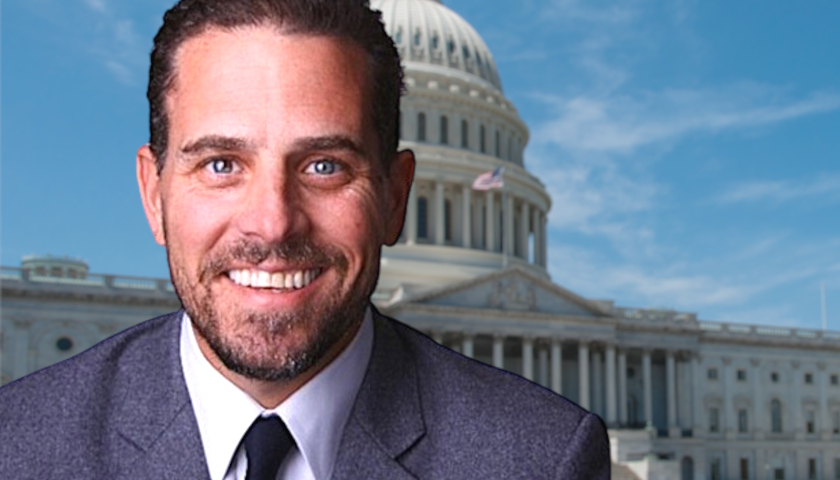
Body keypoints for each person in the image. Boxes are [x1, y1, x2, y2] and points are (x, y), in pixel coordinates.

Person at [0, 0, 610, 478]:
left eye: (325, 166)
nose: (272, 223)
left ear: (396, 197)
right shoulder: (18, 444)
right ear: (153, 194)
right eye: (220, 164)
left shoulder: (543, 456)